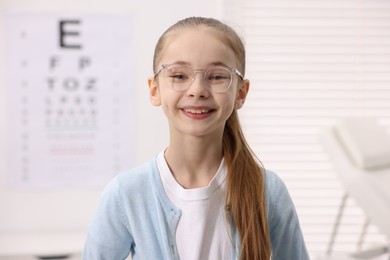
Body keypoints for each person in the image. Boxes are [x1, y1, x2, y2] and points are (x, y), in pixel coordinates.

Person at [82, 17, 309, 260]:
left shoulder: (268, 191)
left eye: (217, 76)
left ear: (241, 93)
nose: (197, 89)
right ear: (154, 89)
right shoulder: (125, 195)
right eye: (179, 76)